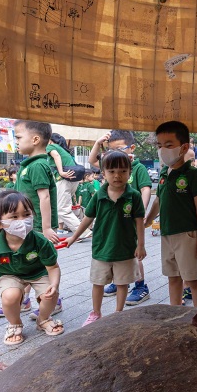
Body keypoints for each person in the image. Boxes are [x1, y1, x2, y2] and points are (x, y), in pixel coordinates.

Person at [67, 151, 146, 324]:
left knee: (122, 283)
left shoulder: (134, 196)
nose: (117, 175)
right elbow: (87, 218)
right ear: (103, 173)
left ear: (129, 172)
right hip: (101, 249)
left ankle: (119, 313)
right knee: (98, 283)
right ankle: (96, 312)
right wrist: (73, 237)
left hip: (125, 250)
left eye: (123, 171)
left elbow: (139, 221)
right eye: (112, 171)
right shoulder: (99, 195)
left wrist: (141, 245)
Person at [0, 191, 63, 345]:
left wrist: (54, 284)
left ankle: (43, 319)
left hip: (38, 272)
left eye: (26, 214)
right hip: (8, 274)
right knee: (10, 296)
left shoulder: (41, 241)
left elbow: (53, 267)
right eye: (14, 217)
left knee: (50, 294)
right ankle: (14, 324)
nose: (22, 221)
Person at [144, 120, 197, 309]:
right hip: (167, 234)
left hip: (188, 234)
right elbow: (158, 201)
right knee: (173, 277)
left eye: (169, 145)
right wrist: (148, 220)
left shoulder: (192, 174)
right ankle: (175, 313)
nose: (163, 150)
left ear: (184, 147)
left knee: (193, 278)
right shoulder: (164, 173)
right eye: (160, 145)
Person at [90, 130, 154, 304]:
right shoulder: (111, 163)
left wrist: (142, 210)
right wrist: (97, 143)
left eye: (119, 148)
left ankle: (140, 285)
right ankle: (116, 279)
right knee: (115, 251)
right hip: (113, 219)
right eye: (111, 150)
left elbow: (146, 188)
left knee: (132, 253)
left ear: (132, 148)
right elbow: (93, 161)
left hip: (129, 217)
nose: (114, 153)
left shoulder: (137, 167)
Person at [14, 120, 60, 243]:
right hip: (28, 222)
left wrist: (47, 228)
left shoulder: (37, 165)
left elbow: (44, 197)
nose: (16, 142)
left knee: (40, 254)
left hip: (39, 226)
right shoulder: (29, 165)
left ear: (35, 140)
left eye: (18, 137)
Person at [46, 133, 82, 233]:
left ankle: (82, 231)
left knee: (62, 209)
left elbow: (56, 156)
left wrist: (61, 172)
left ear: (50, 140)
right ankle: (76, 231)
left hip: (64, 180)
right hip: (73, 180)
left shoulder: (51, 146)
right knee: (62, 207)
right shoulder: (63, 150)